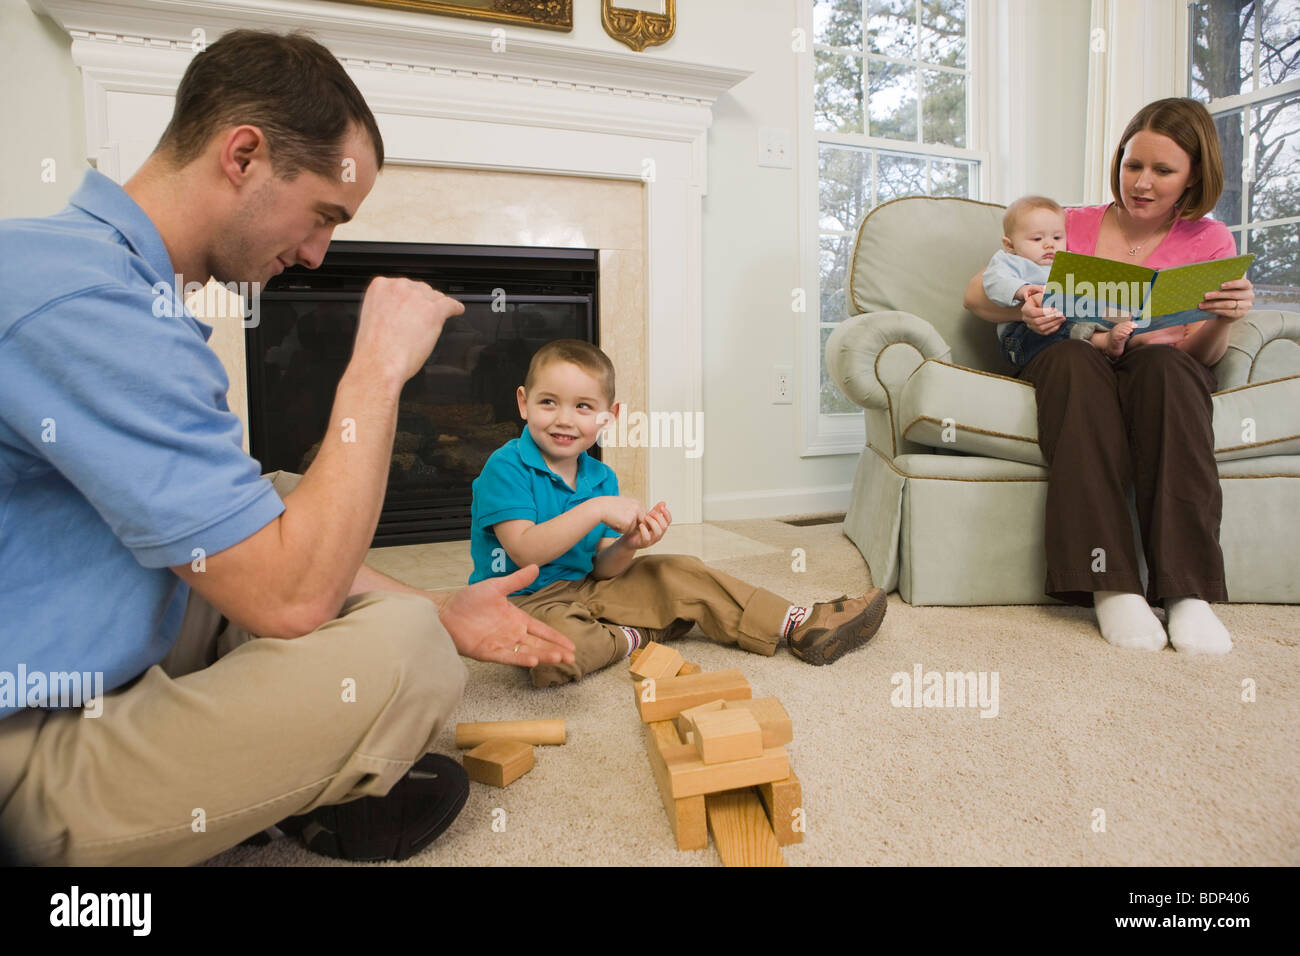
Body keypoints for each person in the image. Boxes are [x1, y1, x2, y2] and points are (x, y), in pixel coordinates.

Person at [0, 29, 574, 866]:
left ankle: (298, 779)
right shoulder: (91, 303)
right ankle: (291, 792)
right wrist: (376, 369)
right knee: (407, 654)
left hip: (82, 641)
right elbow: (289, 603)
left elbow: (251, 522)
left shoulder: (83, 267)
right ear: (244, 154)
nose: (315, 255)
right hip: (28, 754)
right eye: (323, 216)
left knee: (279, 494)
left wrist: (447, 604)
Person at [963, 97, 1254, 655]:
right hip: (1076, 356)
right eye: (1131, 164)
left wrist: (1221, 317)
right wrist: (1023, 308)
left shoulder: (1210, 240)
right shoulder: (1069, 224)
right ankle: (1109, 582)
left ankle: (1188, 592)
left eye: (1162, 171)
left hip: (1158, 365)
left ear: (1194, 177)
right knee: (1074, 360)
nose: (1141, 182)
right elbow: (977, 295)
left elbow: (1204, 355)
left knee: (1168, 365)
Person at [468, 340, 889, 687]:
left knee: (678, 572)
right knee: (551, 657)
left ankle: (797, 624)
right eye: (548, 402)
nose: (564, 419)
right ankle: (636, 635)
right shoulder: (506, 467)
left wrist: (631, 544)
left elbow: (602, 571)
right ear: (524, 404)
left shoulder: (600, 477)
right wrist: (595, 508)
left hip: (584, 589)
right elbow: (525, 550)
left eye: (582, 407)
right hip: (520, 601)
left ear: (608, 417)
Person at [985, 195, 1134, 367]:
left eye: (1057, 238)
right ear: (1010, 245)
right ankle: (1101, 340)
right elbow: (994, 282)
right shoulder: (1010, 260)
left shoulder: (1067, 262)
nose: (1049, 245)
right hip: (1020, 334)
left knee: (1092, 307)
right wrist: (1023, 290)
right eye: (1037, 239)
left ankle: (1119, 329)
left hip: (1067, 325)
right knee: (1056, 329)